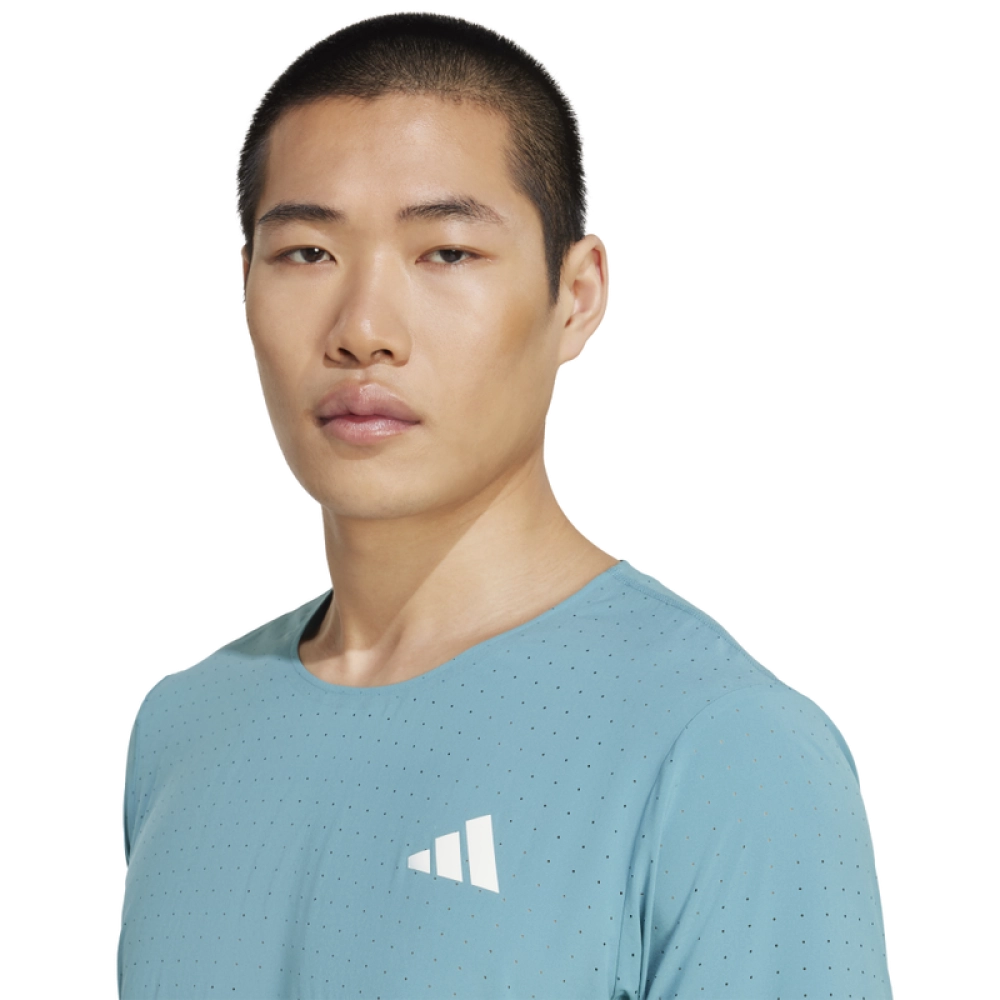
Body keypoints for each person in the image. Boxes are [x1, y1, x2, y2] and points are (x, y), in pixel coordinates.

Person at [118, 12, 891, 998]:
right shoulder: (185, 728)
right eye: (307, 252)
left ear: (577, 295)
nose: (362, 330)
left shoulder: (723, 747)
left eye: (445, 252)